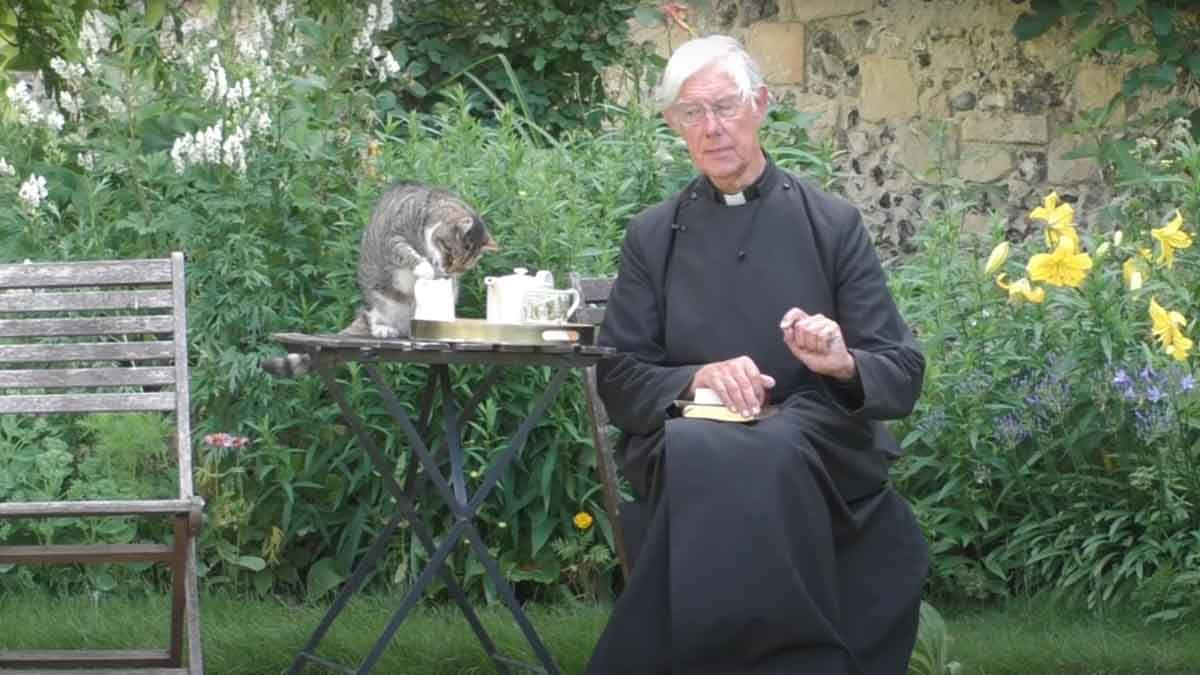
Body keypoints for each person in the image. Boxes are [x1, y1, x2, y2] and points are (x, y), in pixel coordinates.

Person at [586, 35, 929, 674]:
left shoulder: (832, 224)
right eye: (693, 113)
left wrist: (842, 363)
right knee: (708, 449)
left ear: (760, 105)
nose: (712, 129)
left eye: (725, 106)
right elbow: (622, 378)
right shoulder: (653, 235)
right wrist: (697, 378)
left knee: (764, 451)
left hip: (816, 436)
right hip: (690, 431)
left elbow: (901, 372)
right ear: (674, 125)